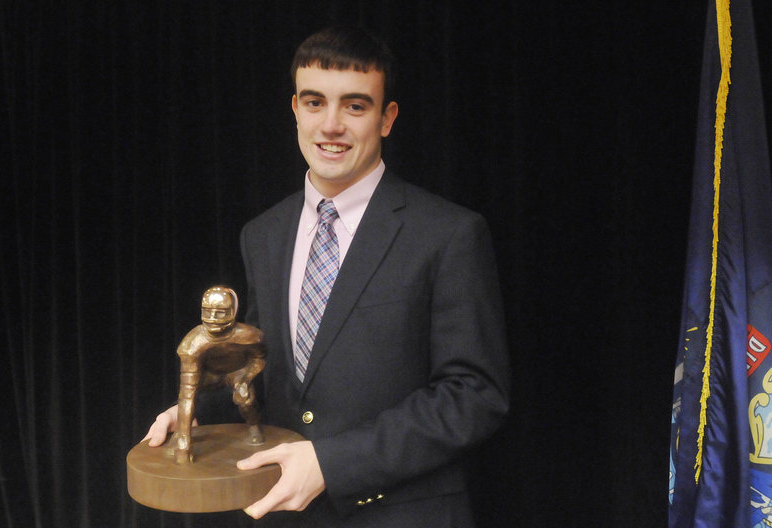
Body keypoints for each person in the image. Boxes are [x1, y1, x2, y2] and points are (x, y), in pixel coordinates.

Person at [144, 25, 510, 527]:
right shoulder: (263, 234)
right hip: (283, 514)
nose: (331, 125)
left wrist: (332, 464)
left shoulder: (449, 233)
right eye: (315, 103)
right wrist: (199, 415)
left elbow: (474, 394)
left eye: (355, 106)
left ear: (387, 118)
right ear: (295, 109)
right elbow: (267, 367)